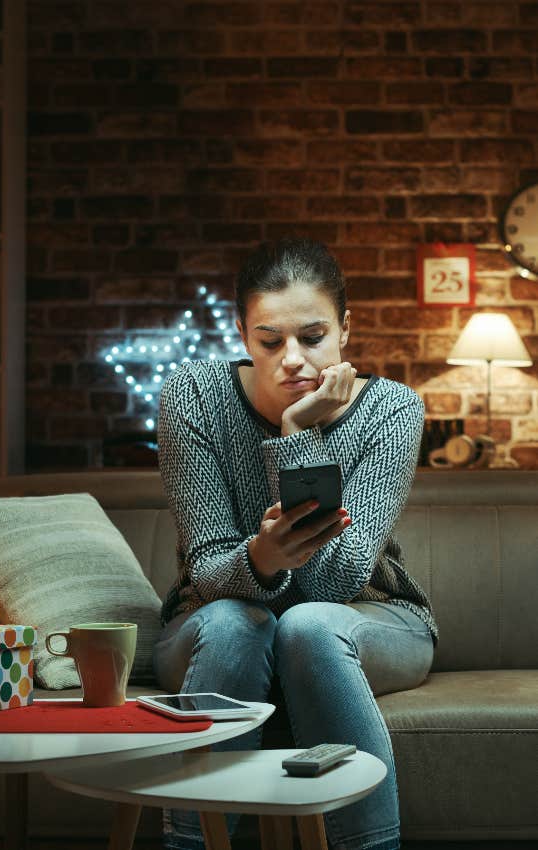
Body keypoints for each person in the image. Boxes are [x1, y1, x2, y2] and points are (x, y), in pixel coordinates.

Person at [154, 237, 437, 850]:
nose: (292, 360)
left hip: (368, 615)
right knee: (236, 623)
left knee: (307, 624)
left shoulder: (392, 410)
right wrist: (262, 559)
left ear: (345, 329)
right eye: (269, 341)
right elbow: (206, 569)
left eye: (312, 337)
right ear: (241, 333)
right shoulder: (192, 396)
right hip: (216, 619)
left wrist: (295, 434)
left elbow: (337, 582)